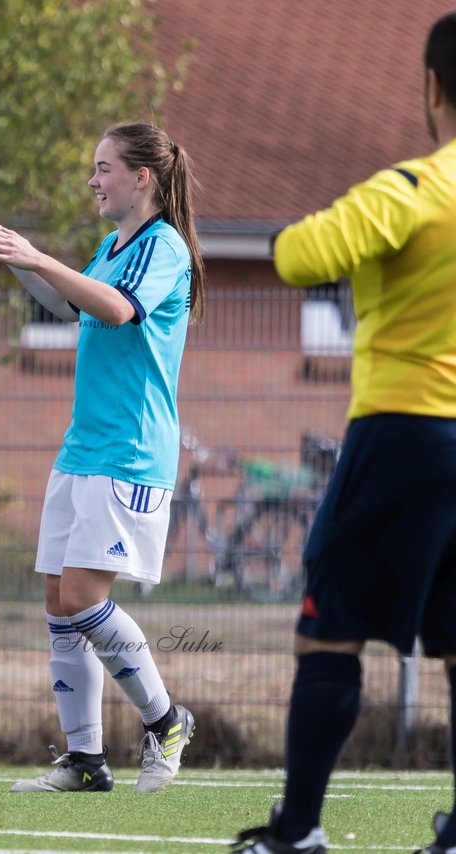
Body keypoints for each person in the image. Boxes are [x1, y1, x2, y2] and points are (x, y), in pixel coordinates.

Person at [232, 13, 456, 853]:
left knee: (328, 627)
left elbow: (298, 255)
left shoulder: (410, 189)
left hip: (406, 430)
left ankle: (296, 831)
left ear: (432, 87)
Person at [0, 120, 205, 795]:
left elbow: (119, 310)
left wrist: (38, 256)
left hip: (129, 451)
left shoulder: (164, 247)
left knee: (82, 597)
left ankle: (165, 719)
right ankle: (85, 759)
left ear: (142, 178)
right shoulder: (111, 242)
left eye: (103, 169)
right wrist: (13, 257)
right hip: (83, 447)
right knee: (58, 602)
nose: (93, 180)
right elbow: (72, 307)